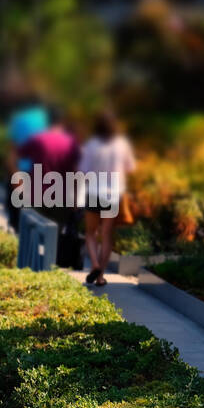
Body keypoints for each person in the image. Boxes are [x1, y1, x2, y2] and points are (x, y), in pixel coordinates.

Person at [77, 110, 136, 287]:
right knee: (106, 235)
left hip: (94, 191)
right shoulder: (122, 144)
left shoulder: (91, 145)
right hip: (114, 194)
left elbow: (83, 171)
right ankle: (101, 275)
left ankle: (94, 264)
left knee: (90, 233)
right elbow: (131, 167)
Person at [17, 107, 81, 268]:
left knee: (33, 235)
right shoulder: (71, 142)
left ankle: (32, 270)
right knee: (54, 238)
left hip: (36, 193)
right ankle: (48, 272)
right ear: (63, 122)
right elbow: (76, 171)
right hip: (62, 195)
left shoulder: (38, 139)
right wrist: (75, 198)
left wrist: (18, 182)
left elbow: (13, 155)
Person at [5, 97, 49, 230]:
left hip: (20, 170)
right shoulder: (44, 118)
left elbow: (12, 149)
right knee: (36, 215)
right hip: (40, 173)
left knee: (18, 214)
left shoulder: (17, 119)